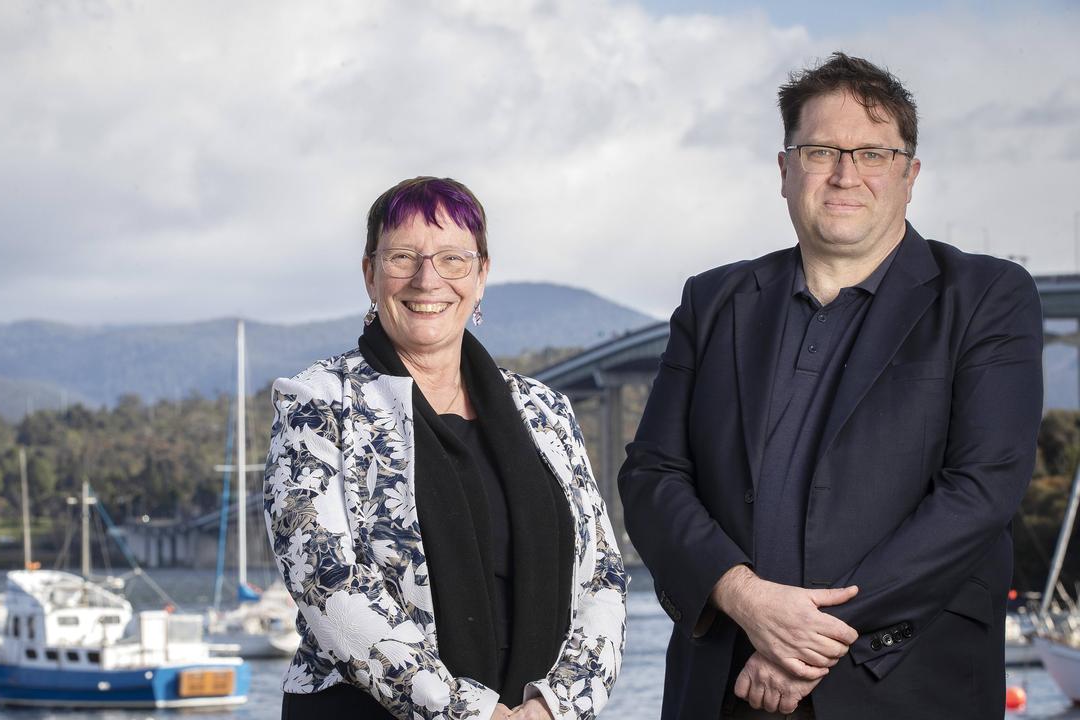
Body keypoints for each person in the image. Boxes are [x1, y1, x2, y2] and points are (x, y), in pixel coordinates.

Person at [618, 52, 1042, 720]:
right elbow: (652, 476)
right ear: (785, 171)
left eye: (873, 153)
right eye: (820, 150)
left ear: (910, 176)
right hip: (725, 682)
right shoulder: (714, 301)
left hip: (903, 684)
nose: (846, 174)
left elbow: (982, 489)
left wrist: (808, 641)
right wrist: (741, 595)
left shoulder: (986, 296)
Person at [265, 176, 627, 720]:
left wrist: (555, 707)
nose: (427, 279)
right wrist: (470, 712)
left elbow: (603, 575)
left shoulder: (543, 410)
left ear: (482, 276)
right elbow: (324, 578)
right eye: (403, 256)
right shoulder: (318, 402)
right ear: (370, 274)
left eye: (453, 259)